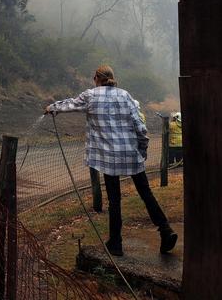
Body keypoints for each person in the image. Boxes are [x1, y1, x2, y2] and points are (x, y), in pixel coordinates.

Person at [45, 65, 177, 256]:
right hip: (131, 154)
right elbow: (141, 128)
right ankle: (165, 230)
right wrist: (142, 151)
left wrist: (51, 108)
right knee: (146, 193)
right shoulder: (125, 95)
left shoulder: (90, 96)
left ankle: (115, 243)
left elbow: (70, 104)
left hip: (110, 158)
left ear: (96, 78)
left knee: (114, 200)